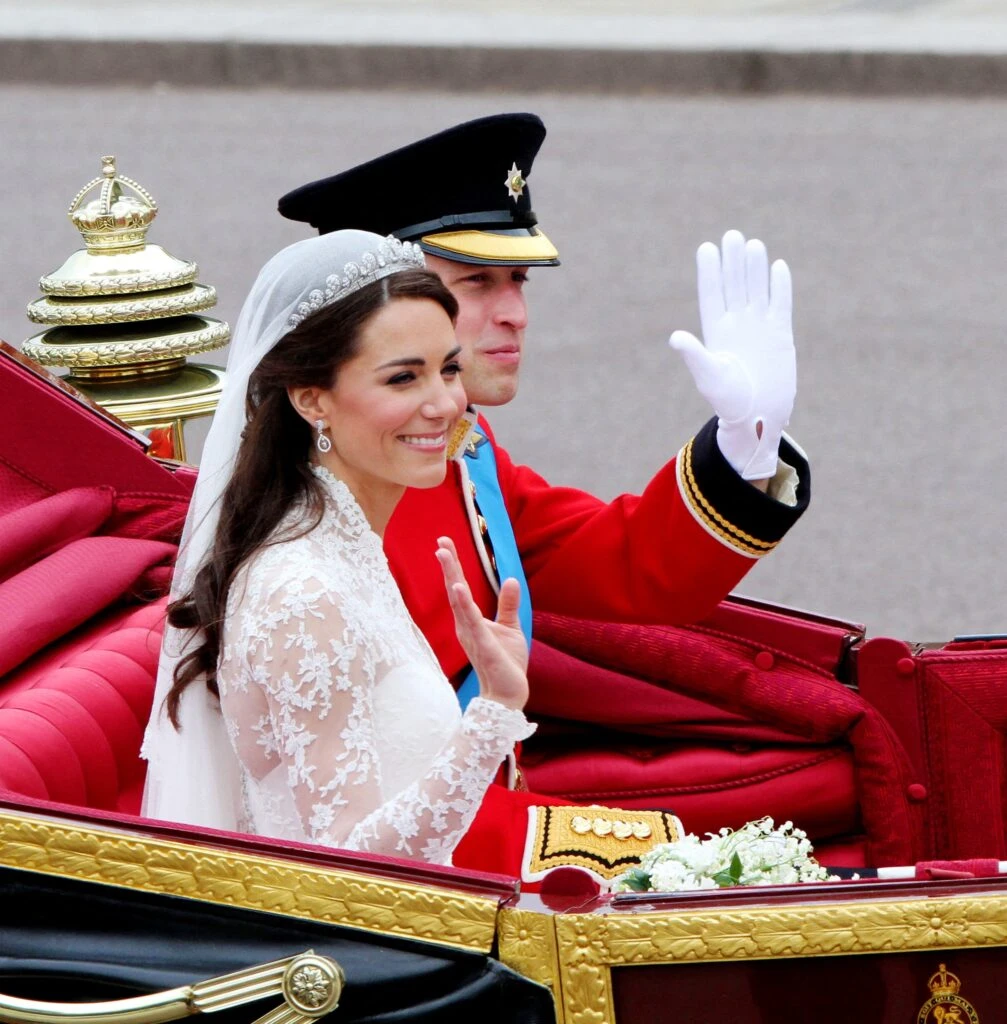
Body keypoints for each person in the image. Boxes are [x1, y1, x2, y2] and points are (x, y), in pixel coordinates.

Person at [277, 114, 810, 712]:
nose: (516, 313)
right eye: (476, 281)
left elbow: (620, 565)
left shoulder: (459, 446)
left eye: (519, 279)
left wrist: (746, 445)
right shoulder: (309, 514)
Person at [140, 230, 542, 863]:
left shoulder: (342, 540)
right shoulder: (303, 590)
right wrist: (493, 715)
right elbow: (349, 863)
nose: (444, 403)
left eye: (449, 368)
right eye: (403, 378)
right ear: (311, 399)